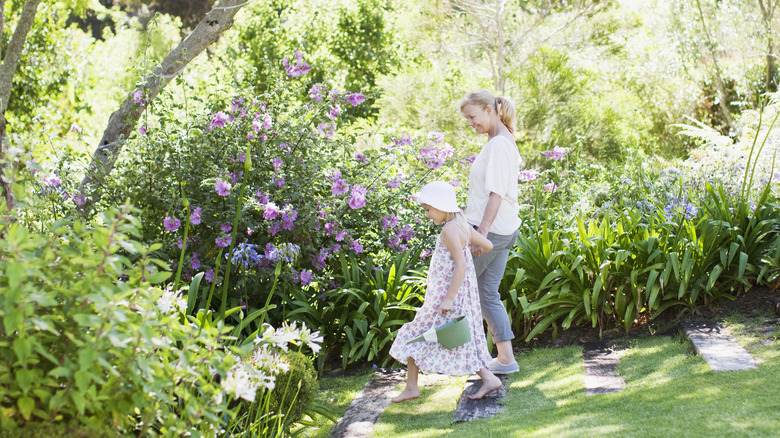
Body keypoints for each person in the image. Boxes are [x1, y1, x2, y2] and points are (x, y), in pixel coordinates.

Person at [389, 181, 503, 403]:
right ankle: (487, 379)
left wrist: (448, 299)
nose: (428, 214)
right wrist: (471, 246)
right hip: (460, 297)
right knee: (456, 338)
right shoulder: (462, 225)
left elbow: (460, 265)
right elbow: (488, 245)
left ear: (442, 206)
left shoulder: (450, 230)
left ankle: (412, 387)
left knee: (416, 335)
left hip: (446, 297)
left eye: (428, 209)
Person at [459, 89, 522, 374]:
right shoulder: (503, 140)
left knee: (456, 291)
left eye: (472, 116)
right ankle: (506, 360)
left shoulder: (498, 144)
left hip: (490, 232)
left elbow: (495, 194)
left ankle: (464, 360)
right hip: (505, 230)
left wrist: (480, 235)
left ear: (489, 109)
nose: (471, 123)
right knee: (487, 294)